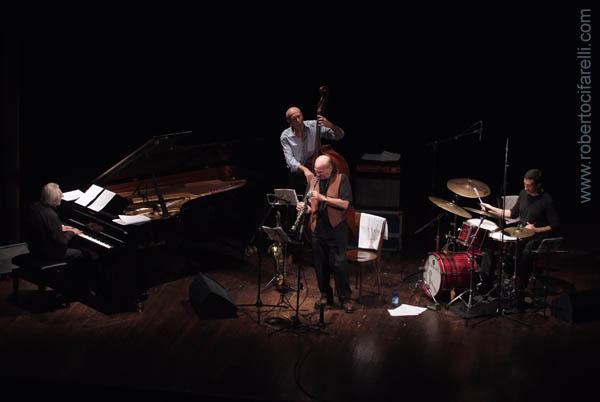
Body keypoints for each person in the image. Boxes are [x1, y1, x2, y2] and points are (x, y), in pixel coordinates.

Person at [480, 169, 560, 293]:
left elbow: (554, 225)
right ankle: (486, 282)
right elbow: (512, 213)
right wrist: (490, 209)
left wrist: (536, 229)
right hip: (520, 232)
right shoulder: (523, 193)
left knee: (527, 251)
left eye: (529, 185)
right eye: (524, 184)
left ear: (538, 185)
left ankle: (520, 288)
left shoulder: (547, 201)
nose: (525, 188)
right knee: (492, 242)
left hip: (536, 237)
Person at [296, 155, 354, 313]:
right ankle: (325, 296)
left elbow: (345, 204)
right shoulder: (313, 181)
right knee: (320, 265)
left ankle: (345, 299)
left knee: (339, 265)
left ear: (330, 168)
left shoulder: (342, 179)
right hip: (318, 230)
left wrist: (324, 198)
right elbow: (310, 206)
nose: (317, 174)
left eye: (320, 171)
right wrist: (304, 208)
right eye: (316, 171)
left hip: (337, 230)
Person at [280, 106, 345, 194]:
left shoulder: (314, 126)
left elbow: (339, 135)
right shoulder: (285, 136)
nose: (298, 120)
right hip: (297, 175)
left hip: (316, 172)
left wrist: (331, 125)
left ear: (302, 115)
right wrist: (305, 170)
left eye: (299, 116)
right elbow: (290, 160)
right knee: (295, 200)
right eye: (294, 119)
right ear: (289, 121)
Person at [26, 182, 84, 263]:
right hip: (48, 253)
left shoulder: (35, 207)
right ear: (55, 198)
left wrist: (60, 228)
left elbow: (44, 227)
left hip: (34, 249)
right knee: (79, 253)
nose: (62, 196)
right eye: (60, 195)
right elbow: (62, 241)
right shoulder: (51, 214)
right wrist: (72, 232)